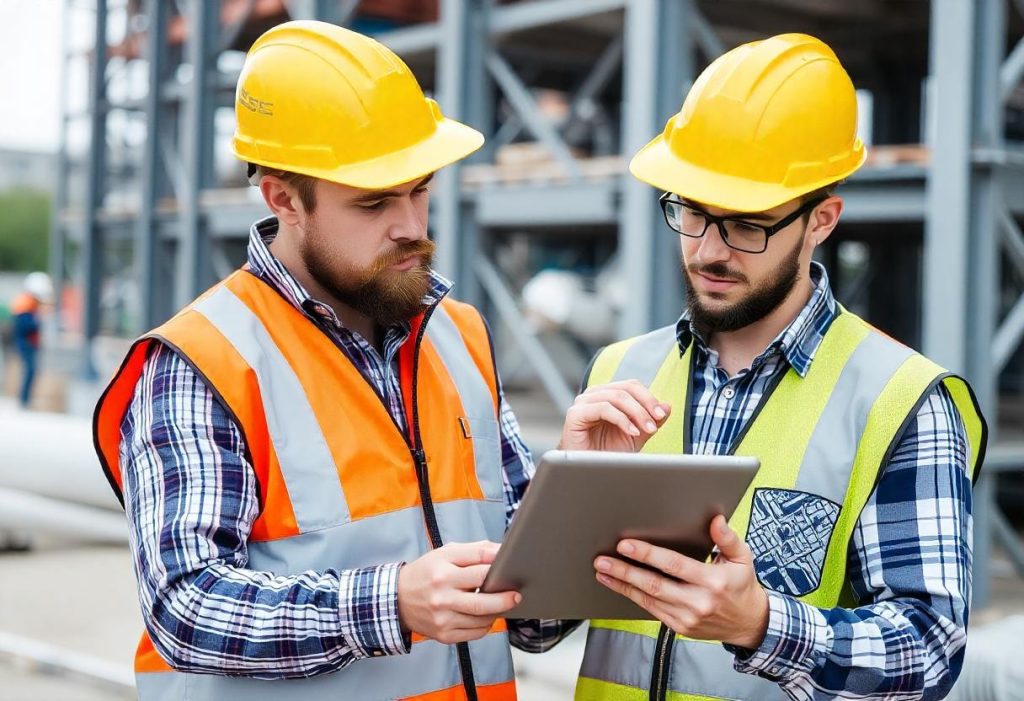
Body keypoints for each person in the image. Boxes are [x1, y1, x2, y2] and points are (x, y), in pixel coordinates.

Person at [93, 21, 575, 701]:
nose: (410, 224)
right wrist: (393, 604)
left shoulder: (459, 337)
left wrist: (576, 502)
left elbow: (533, 621)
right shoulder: (204, 360)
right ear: (284, 198)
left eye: (419, 189)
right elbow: (185, 607)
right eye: (374, 202)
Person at [560, 33, 986, 700]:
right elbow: (530, 628)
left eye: (748, 224)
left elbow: (926, 651)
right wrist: (567, 505)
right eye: (693, 212)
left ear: (821, 219)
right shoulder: (619, 370)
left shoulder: (901, 400)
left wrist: (760, 623)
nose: (708, 251)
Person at [10, 271, 52, 408]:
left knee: (32, 370)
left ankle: (25, 399)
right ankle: (24, 399)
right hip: (25, 342)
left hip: (29, 342)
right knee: (30, 370)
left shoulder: (30, 303)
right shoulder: (25, 304)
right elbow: (25, 326)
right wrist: (39, 319)